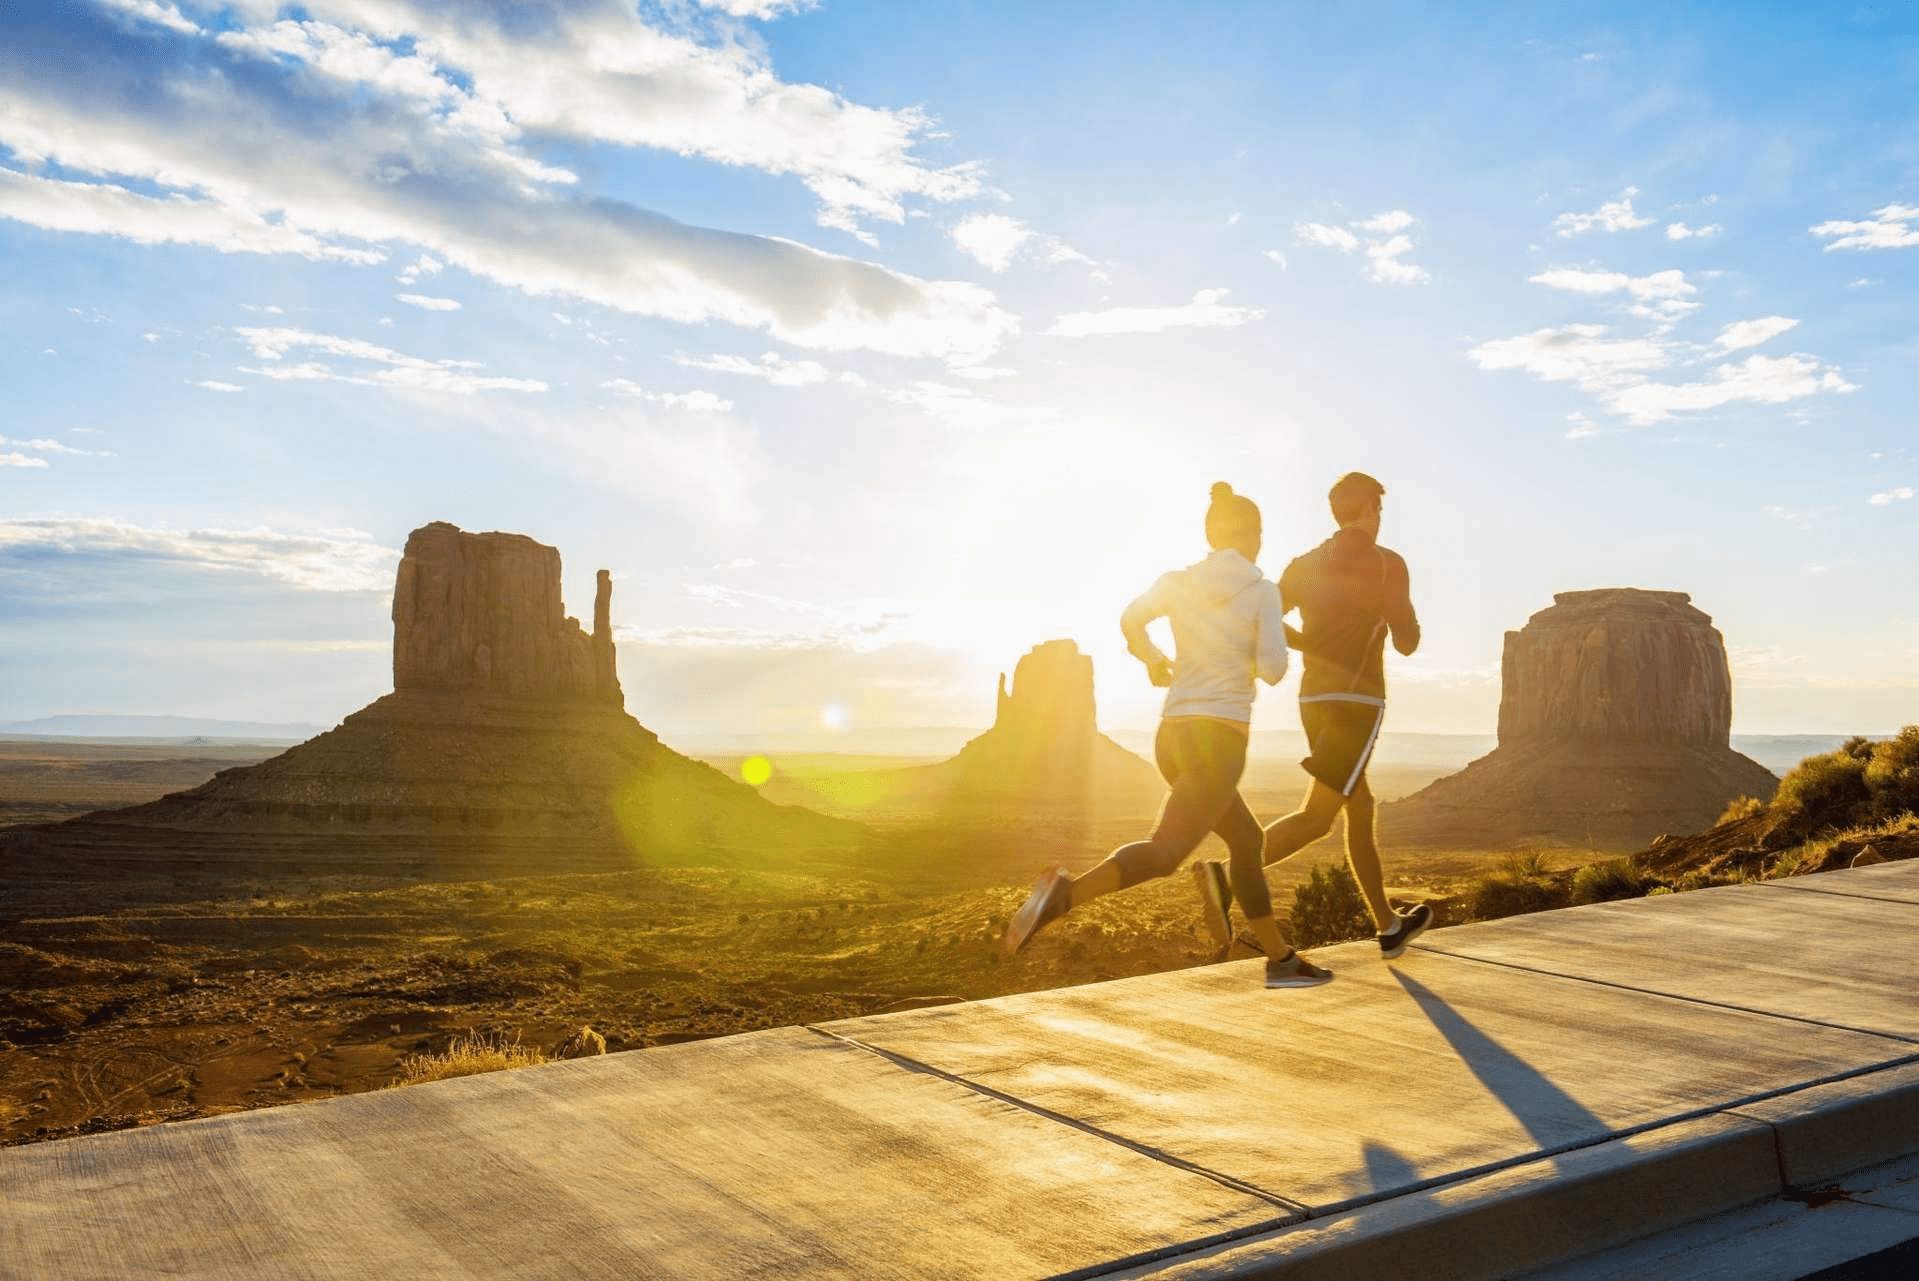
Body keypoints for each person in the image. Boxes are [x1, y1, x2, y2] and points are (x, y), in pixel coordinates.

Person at [1002, 483, 1334, 988]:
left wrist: (1154, 659)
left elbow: (1130, 619)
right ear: (1249, 536)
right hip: (1218, 741)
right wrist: (1258, 640)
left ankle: (1281, 959)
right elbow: (1272, 668)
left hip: (1172, 737)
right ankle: (1065, 895)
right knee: (1164, 854)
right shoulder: (1261, 590)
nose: (1261, 543)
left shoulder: (1177, 582)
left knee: (1247, 840)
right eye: (1259, 533)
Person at [1191, 471, 1433, 961]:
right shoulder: (1387, 564)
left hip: (1314, 700)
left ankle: (1388, 925)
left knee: (1359, 805)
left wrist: (1310, 643)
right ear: (1369, 510)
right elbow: (1408, 641)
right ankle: (1227, 876)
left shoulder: (1305, 564)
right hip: (1357, 702)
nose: (1380, 518)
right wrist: (1396, 622)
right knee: (1318, 818)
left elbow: (1266, 612)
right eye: (1379, 509)